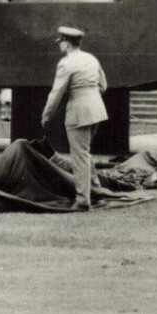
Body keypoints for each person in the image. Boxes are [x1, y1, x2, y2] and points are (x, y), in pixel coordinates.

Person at [40, 25, 108, 211]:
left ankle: (82, 200)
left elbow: (56, 93)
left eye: (61, 42)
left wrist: (46, 115)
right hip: (97, 110)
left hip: (79, 112)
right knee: (84, 153)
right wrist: (90, 96)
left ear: (67, 43)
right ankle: (96, 192)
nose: (59, 45)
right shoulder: (91, 59)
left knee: (79, 156)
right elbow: (103, 85)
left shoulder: (66, 63)